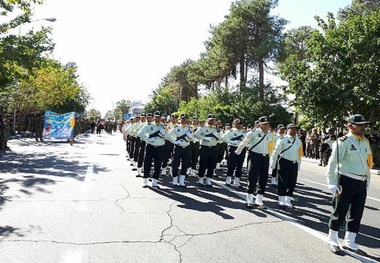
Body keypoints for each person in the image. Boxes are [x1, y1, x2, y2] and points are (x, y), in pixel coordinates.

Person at [326, 114, 373, 256]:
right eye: (360, 125)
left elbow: (367, 163)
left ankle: (350, 241)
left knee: (356, 213)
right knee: (340, 211)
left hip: (361, 182)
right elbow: (332, 163)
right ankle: (333, 239)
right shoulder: (343, 142)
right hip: (346, 180)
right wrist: (332, 183)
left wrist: (367, 181)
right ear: (350, 125)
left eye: (363, 125)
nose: (362, 127)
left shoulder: (365, 142)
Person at [235, 116, 275, 208]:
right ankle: (249, 198)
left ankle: (259, 199)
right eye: (264, 124)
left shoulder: (270, 134)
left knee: (263, 178)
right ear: (260, 125)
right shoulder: (253, 133)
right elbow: (244, 142)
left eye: (267, 124)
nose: (266, 126)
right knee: (252, 177)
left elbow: (271, 146)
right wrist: (238, 151)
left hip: (265, 157)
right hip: (254, 156)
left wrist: (271, 157)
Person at [270, 123, 304, 209]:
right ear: (287, 130)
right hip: (284, 162)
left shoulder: (298, 141)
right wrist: (273, 163)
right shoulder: (282, 139)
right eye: (292, 129)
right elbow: (276, 152)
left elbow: (299, 153)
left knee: (292, 182)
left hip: (294, 163)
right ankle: (281, 199)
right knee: (282, 181)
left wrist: (299, 164)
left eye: (295, 129)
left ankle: (288, 200)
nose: (294, 131)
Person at [138, 111, 166, 188]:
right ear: (154, 117)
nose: (158, 118)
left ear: (161, 118)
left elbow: (167, 136)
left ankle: (155, 181)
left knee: (158, 164)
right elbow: (140, 133)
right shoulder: (149, 126)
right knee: (147, 163)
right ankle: (146, 180)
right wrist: (147, 139)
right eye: (156, 117)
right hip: (150, 146)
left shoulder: (163, 127)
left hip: (160, 147)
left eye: (159, 117)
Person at [165, 113, 192, 187]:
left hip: (186, 148)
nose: (184, 120)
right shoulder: (176, 128)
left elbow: (192, 138)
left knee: (185, 165)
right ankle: (174, 180)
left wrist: (190, 136)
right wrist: (174, 141)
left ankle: (182, 181)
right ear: (180, 119)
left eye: (185, 119)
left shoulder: (189, 128)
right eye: (183, 118)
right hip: (178, 148)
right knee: (175, 164)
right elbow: (167, 136)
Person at [194, 114, 220, 187]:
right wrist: (204, 138)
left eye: (213, 120)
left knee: (212, 164)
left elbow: (220, 138)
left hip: (213, 148)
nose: (211, 121)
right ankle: (200, 178)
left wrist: (218, 136)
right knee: (203, 163)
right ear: (207, 120)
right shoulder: (202, 128)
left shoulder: (216, 129)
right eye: (210, 120)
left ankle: (209, 179)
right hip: (204, 147)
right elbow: (196, 135)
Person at [221, 119, 246, 188]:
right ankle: (228, 179)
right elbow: (223, 138)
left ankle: (237, 181)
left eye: (240, 124)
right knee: (231, 164)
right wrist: (231, 142)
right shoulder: (230, 131)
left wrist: (244, 145)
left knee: (240, 165)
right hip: (233, 148)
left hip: (241, 149)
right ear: (234, 124)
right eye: (237, 123)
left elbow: (248, 142)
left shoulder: (244, 133)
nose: (239, 125)